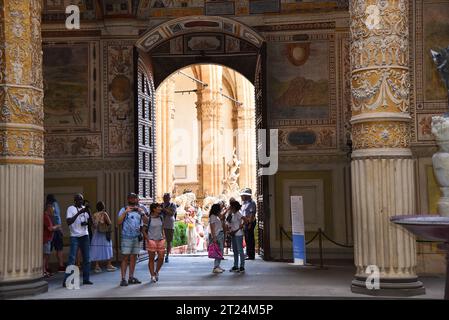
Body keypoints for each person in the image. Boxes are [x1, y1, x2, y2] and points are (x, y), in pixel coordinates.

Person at [63, 194, 93, 286]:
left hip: (85, 235)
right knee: (72, 258)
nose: (81, 202)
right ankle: (66, 281)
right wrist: (79, 213)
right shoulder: (70, 208)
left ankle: (86, 279)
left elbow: (91, 224)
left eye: (82, 200)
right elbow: (68, 222)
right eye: (79, 200)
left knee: (87, 259)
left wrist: (89, 213)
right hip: (75, 236)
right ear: (75, 201)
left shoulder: (85, 208)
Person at [118, 193, 144, 286]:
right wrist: (126, 212)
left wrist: (142, 213)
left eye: (135, 198)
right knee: (125, 257)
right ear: (128, 199)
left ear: (137, 199)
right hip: (126, 237)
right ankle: (123, 279)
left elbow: (145, 222)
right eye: (131, 198)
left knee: (133, 257)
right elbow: (119, 222)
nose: (133, 199)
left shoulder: (139, 210)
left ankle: (131, 277)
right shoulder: (124, 209)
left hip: (136, 237)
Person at [90, 201, 116, 273]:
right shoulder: (104, 213)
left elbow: (93, 225)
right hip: (104, 233)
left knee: (97, 248)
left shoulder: (94, 214)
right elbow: (109, 222)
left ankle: (97, 266)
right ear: (103, 207)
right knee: (108, 248)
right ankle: (109, 264)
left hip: (97, 233)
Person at [145, 203, 166, 283]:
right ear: (154, 209)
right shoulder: (148, 218)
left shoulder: (161, 218)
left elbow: (162, 227)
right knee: (151, 258)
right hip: (152, 240)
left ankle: (156, 271)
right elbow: (143, 229)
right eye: (158, 207)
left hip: (160, 239)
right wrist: (148, 239)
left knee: (161, 258)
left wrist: (164, 237)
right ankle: (152, 275)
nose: (160, 209)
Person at [226, 199, 247, 273]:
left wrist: (242, 225)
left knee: (240, 250)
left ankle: (242, 266)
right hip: (233, 234)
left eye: (231, 207)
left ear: (234, 207)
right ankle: (235, 265)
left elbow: (245, 219)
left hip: (238, 234)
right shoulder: (232, 214)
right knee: (235, 250)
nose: (230, 208)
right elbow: (228, 222)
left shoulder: (238, 213)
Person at [46, 194, 65, 272]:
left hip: (50, 229)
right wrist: (60, 228)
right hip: (56, 229)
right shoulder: (54, 205)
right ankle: (61, 265)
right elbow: (56, 217)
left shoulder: (46, 206)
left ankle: (46, 267)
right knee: (59, 249)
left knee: (48, 250)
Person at [43, 203, 61, 278]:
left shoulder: (48, 217)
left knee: (47, 255)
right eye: (52, 210)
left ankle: (44, 270)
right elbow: (50, 228)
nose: (53, 211)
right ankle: (43, 270)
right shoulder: (45, 217)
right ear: (49, 209)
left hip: (48, 238)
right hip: (46, 238)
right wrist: (57, 226)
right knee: (45, 255)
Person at [240, 188, 257, 260]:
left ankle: (251, 255)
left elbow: (252, 214)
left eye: (243, 195)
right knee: (247, 239)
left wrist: (250, 223)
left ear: (247, 196)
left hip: (250, 222)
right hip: (245, 222)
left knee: (250, 239)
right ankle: (248, 253)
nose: (241, 197)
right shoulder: (244, 203)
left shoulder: (252, 203)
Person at [208, 203, 225, 273]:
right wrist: (214, 237)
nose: (220, 210)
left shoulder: (216, 216)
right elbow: (212, 227)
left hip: (220, 234)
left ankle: (218, 265)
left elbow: (222, 217)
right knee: (218, 251)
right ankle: (216, 266)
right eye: (220, 209)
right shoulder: (213, 216)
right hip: (217, 235)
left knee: (220, 250)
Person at [161, 193, 177, 263]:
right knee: (159, 241)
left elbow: (171, 213)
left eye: (167, 197)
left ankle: (167, 255)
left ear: (170, 198)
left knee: (168, 241)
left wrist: (163, 209)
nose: (166, 199)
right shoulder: (160, 205)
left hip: (169, 225)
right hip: (160, 225)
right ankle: (160, 255)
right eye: (164, 197)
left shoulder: (172, 205)